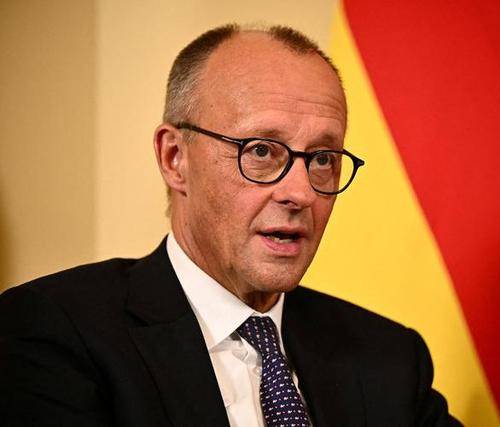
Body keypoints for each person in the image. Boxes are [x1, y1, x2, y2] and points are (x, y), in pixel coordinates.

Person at [0, 24, 461, 426]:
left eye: (323, 159)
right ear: (175, 158)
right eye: (260, 151)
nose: (301, 193)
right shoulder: (54, 333)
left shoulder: (389, 357)